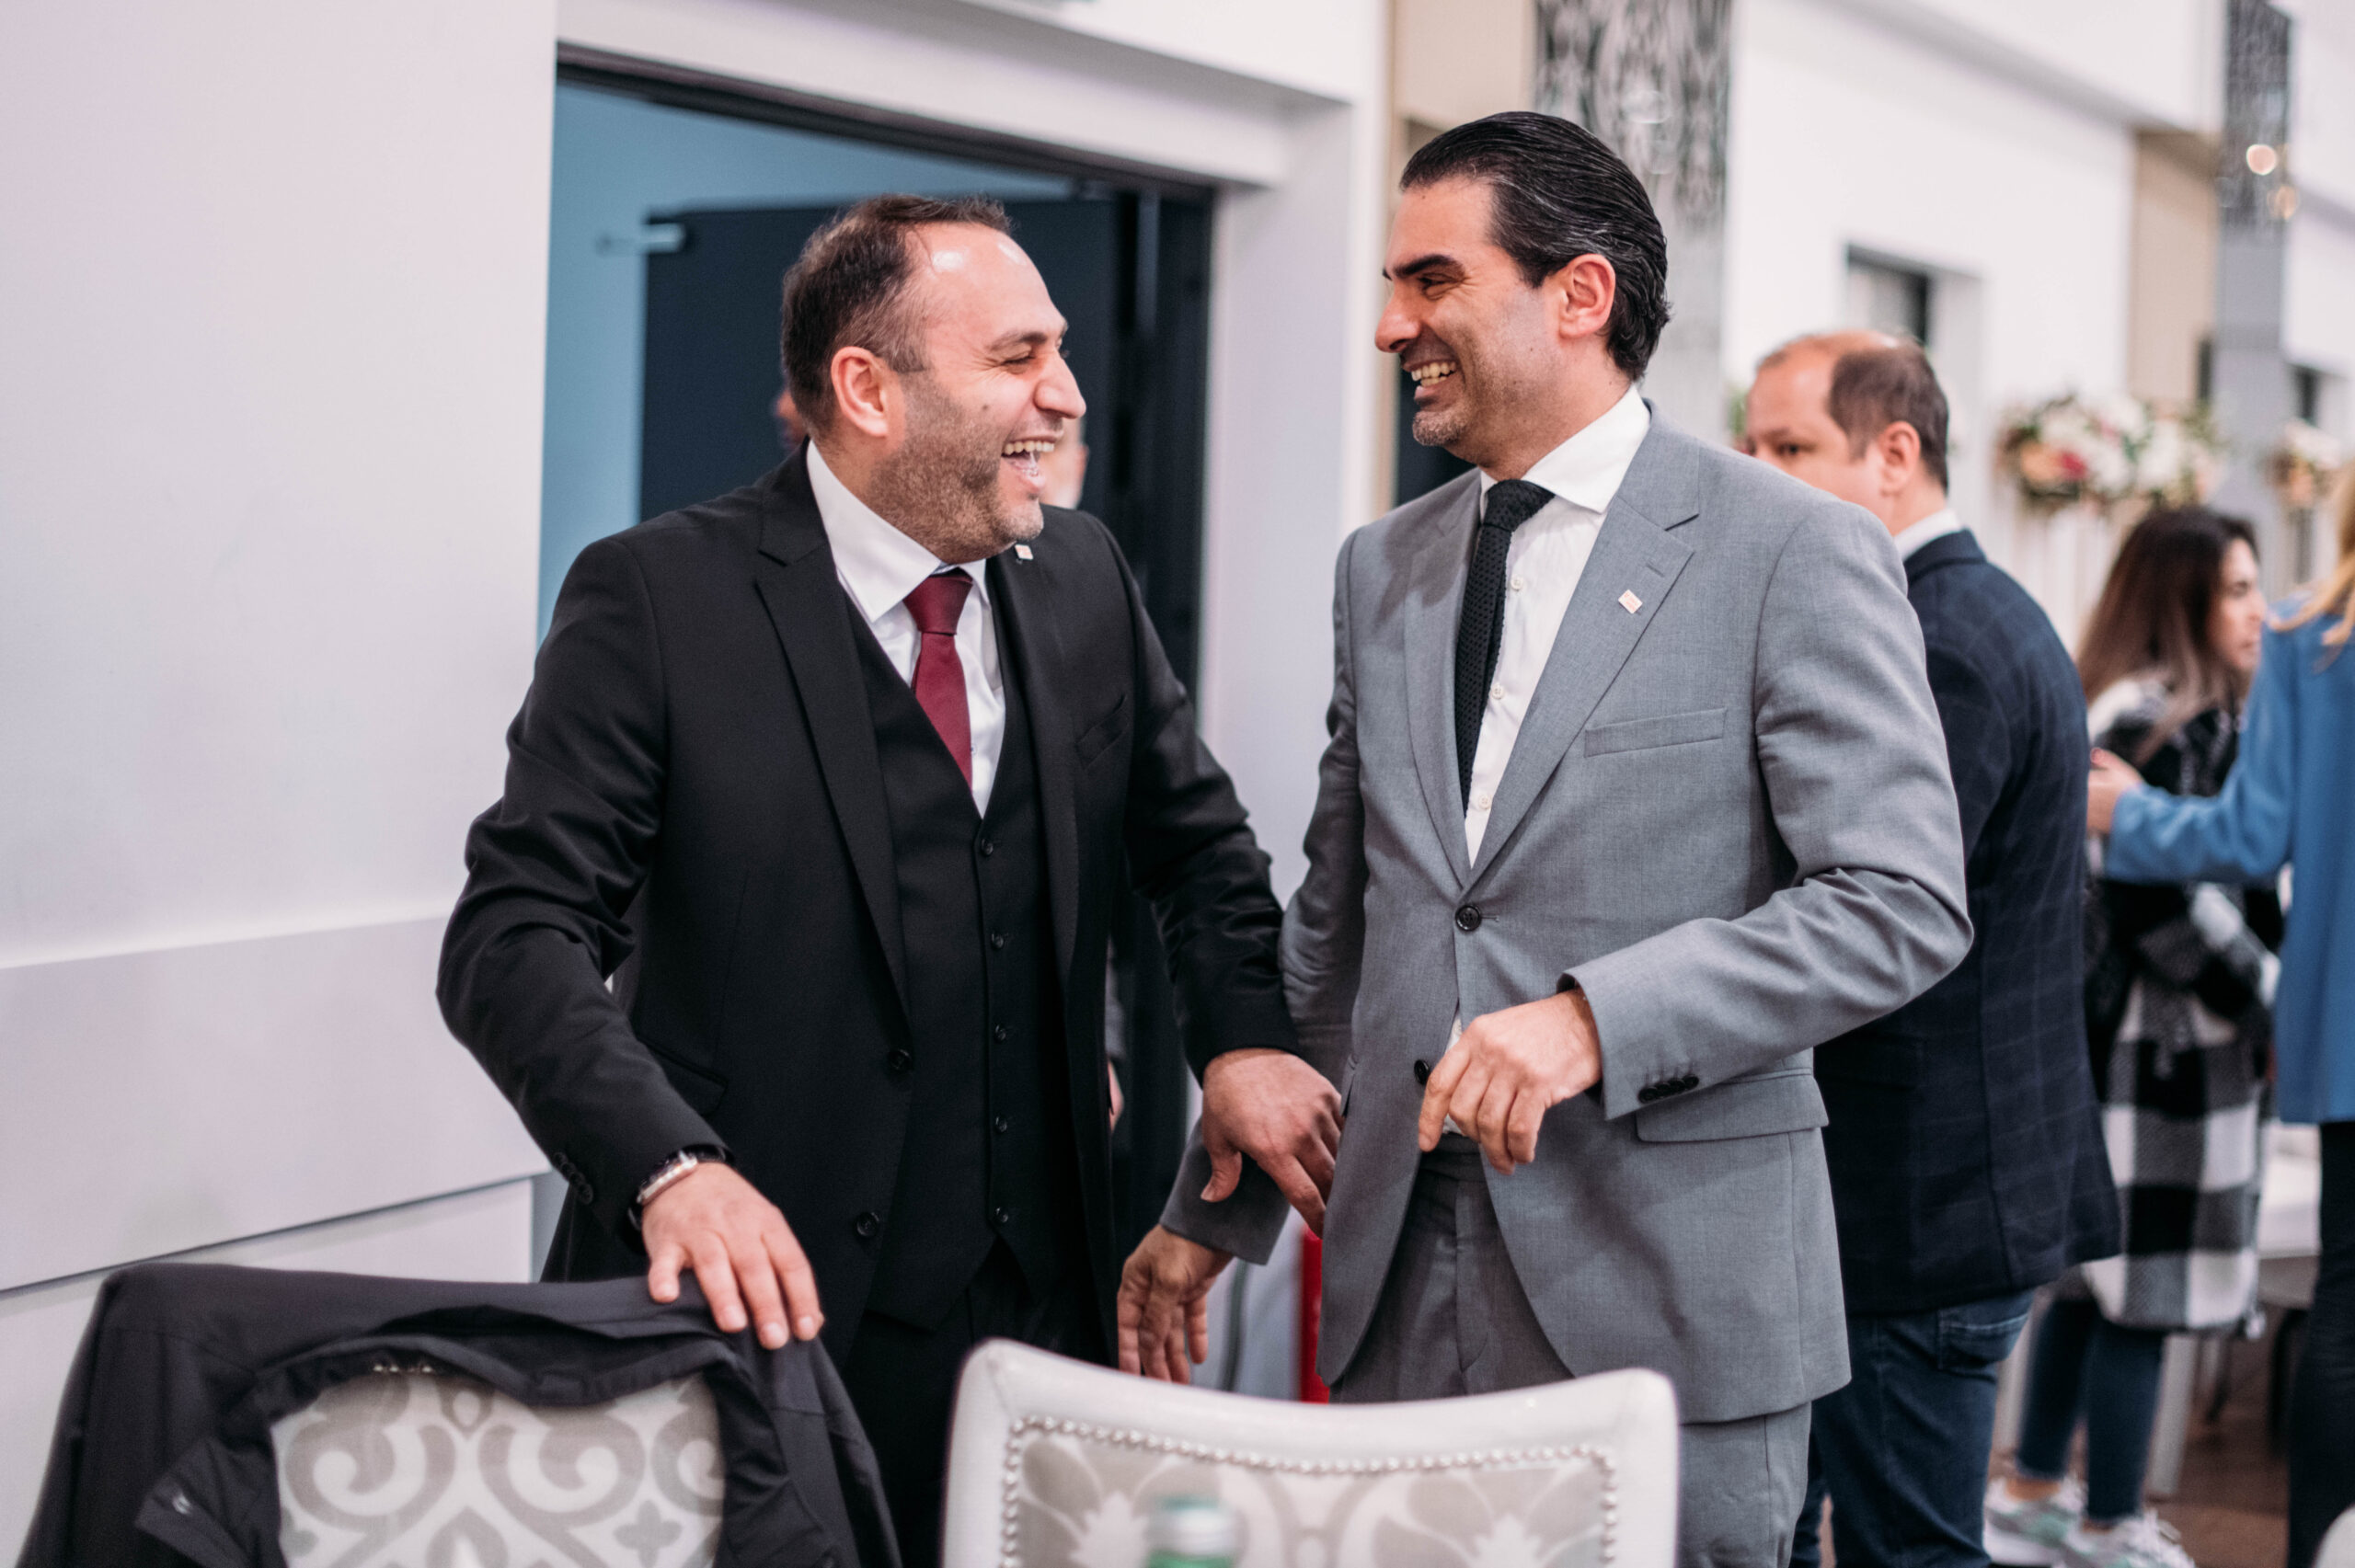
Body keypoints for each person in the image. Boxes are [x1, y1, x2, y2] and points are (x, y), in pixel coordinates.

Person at [1120, 111, 1972, 1568]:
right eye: (1394, 285)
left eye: (1433, 280)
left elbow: (1898, 901)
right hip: (1399, 1280)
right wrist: (1223, 1203)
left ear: (1579, 295)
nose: (1392, 325)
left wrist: (1594, 1021)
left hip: (1670, 1294)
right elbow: (1345, 923)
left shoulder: (1790, 548)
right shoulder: (1380, 566)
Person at [438, 194, 1315, 1567]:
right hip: (758, 1317)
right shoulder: (657, 600)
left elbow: (1195, 848)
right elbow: (514, 935)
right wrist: (667, 1167)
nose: (1067, 395)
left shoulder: (1083, 575)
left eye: (1060, 351)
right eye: (1018, 356)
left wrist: (1244, 1040)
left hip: (1044, 1319)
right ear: (867, 390)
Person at [1744, 332, 2120, 1568]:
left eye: (1790, 446)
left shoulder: (1936, 635)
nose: (1757, 474)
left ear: (1893, 453)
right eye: (1750, 445)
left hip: (1919, 1198)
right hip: (1926, 1183)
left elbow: (1879, 922)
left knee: (1909, 1551)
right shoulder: (1957, 611)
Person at [1978, 508, 2277, 1568]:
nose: (2259, 610)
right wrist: (2271, 996)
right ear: (2178, 598)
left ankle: (2032, 1491)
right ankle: (2109, 1522)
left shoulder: (2110, 704)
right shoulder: (2168, 723)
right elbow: (2161, 901)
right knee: (2142, 1297)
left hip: (2103, 1046)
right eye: (2235, 589)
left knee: (2085, 1285)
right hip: (2168, 1055)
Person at [2083, 479, 2355, 1568]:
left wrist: (2126, 813)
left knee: (2345, 1311)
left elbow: (2250, 836)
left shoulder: (2311, 641)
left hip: (2343, 1024)